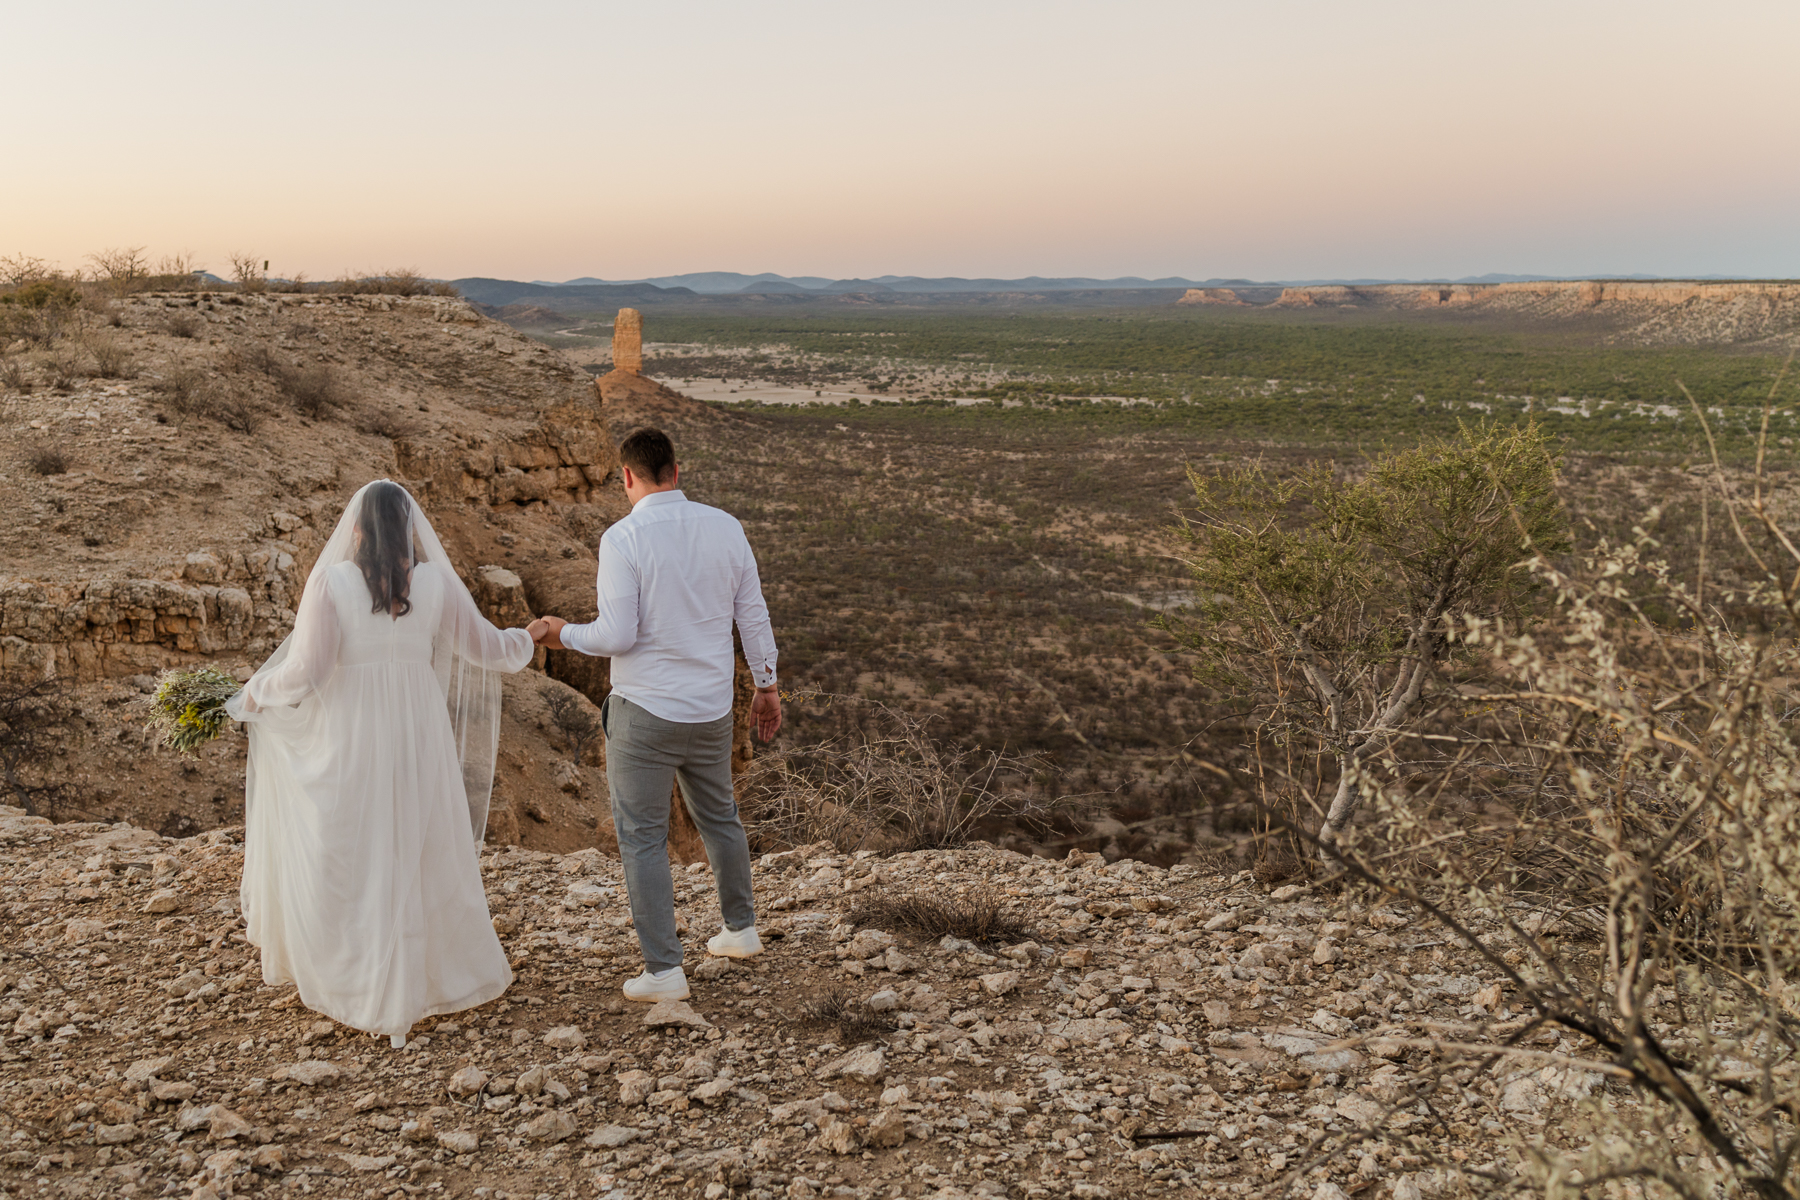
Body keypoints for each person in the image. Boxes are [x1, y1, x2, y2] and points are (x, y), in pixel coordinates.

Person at [225, 480, 536, 1047]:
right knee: (420, 842)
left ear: (358, 529)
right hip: (418, 732)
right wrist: (530, 635)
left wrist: (258, 690)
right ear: (410, 529)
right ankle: (432, 976)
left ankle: (364, 975)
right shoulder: (437, 583)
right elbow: (488, 649)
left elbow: (310, 673)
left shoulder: (331, 582)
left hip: (355, 734)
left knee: (357, 843)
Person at [530, 426, 780, 1002]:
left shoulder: (623, 538)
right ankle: (740, 931)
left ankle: (665, 970)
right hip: (712, 710)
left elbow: (618, 633)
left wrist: (556, 633)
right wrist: (767, 688)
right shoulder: (726, 527)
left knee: (642, 838)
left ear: (626, 477)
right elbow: (754, 616)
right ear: (676, 470)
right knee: (720, 817)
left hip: (644, 713)